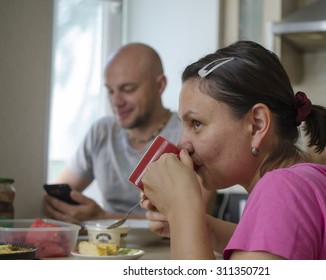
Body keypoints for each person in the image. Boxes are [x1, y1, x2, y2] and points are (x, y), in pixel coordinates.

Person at [140, 41, 326, 260]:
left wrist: (183, 211)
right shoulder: (311, 181)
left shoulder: (282, 188)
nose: (183, 145)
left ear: (257, 124)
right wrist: (197, 226)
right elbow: (269, 245)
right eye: (184, 125)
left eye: (197, 124)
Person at [42, 43, 216, 224]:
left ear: (160, 85)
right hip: (107, 247)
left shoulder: (190, 134)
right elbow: (55, 197)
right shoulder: (102, 132)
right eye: (110, 90)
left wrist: (102, 217)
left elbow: (196, 218)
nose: (116, 101)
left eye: (128, 89)